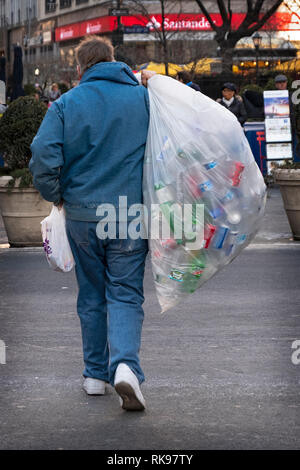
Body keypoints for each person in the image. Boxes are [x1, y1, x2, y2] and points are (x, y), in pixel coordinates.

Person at [29, 36, 155, 412]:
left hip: (84, 215)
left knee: (91, 293)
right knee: (125, 292)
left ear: (81, 68)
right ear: (112, 60)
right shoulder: (144, 99)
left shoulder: (66, 103)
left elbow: (42, 154)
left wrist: (57, 193)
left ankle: (95, 375)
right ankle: (126, 368)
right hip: (130, 213)